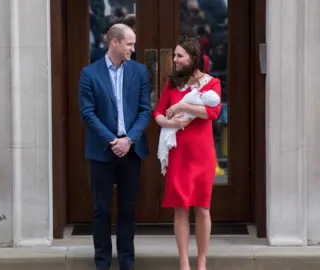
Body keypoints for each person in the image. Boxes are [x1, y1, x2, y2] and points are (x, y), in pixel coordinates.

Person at [78, 23, 151, 270]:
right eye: (130, 44)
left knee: (128, 210)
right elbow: (88, 113)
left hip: (131, 151)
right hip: (102, 151)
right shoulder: (90, 73)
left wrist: (128, 140)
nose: (133, 48)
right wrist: (113, 141)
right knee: (101, 210)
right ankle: (102, 263)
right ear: (115, 43)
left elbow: (145, 110)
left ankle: (127, 264)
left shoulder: (139, 72)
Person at [153, 37, 221, 270]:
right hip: (178, 154)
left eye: (180, 55)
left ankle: (201, 262)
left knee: (202, 208)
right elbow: (158, 113)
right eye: (174, 55)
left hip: (202, 154)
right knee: (180, 207)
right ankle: (184, 263)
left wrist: (182, 106)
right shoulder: (171, 84)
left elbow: (211, 113)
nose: (175, 60)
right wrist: (170, 124)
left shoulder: (212, 83)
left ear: (193, 57)